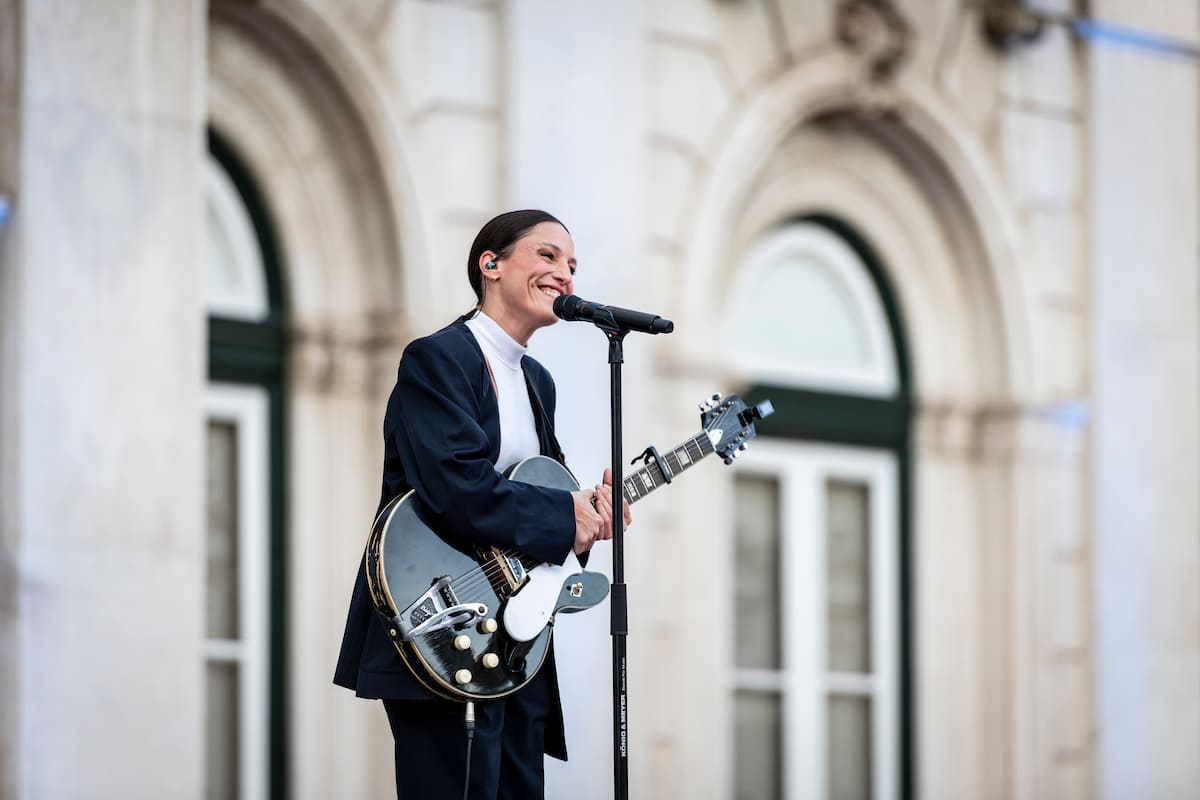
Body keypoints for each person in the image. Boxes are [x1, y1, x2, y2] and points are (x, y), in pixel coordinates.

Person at [334, 209, 631, 799]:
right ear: (489, 265)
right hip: (441, 627)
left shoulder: (537, 381)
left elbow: (545, 499)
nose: (564, 274)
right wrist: (562, 515)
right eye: (547, 256)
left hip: (515, 643)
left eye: (572, 265)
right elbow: (455, 487)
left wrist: (591, 517)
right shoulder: (437, 359)